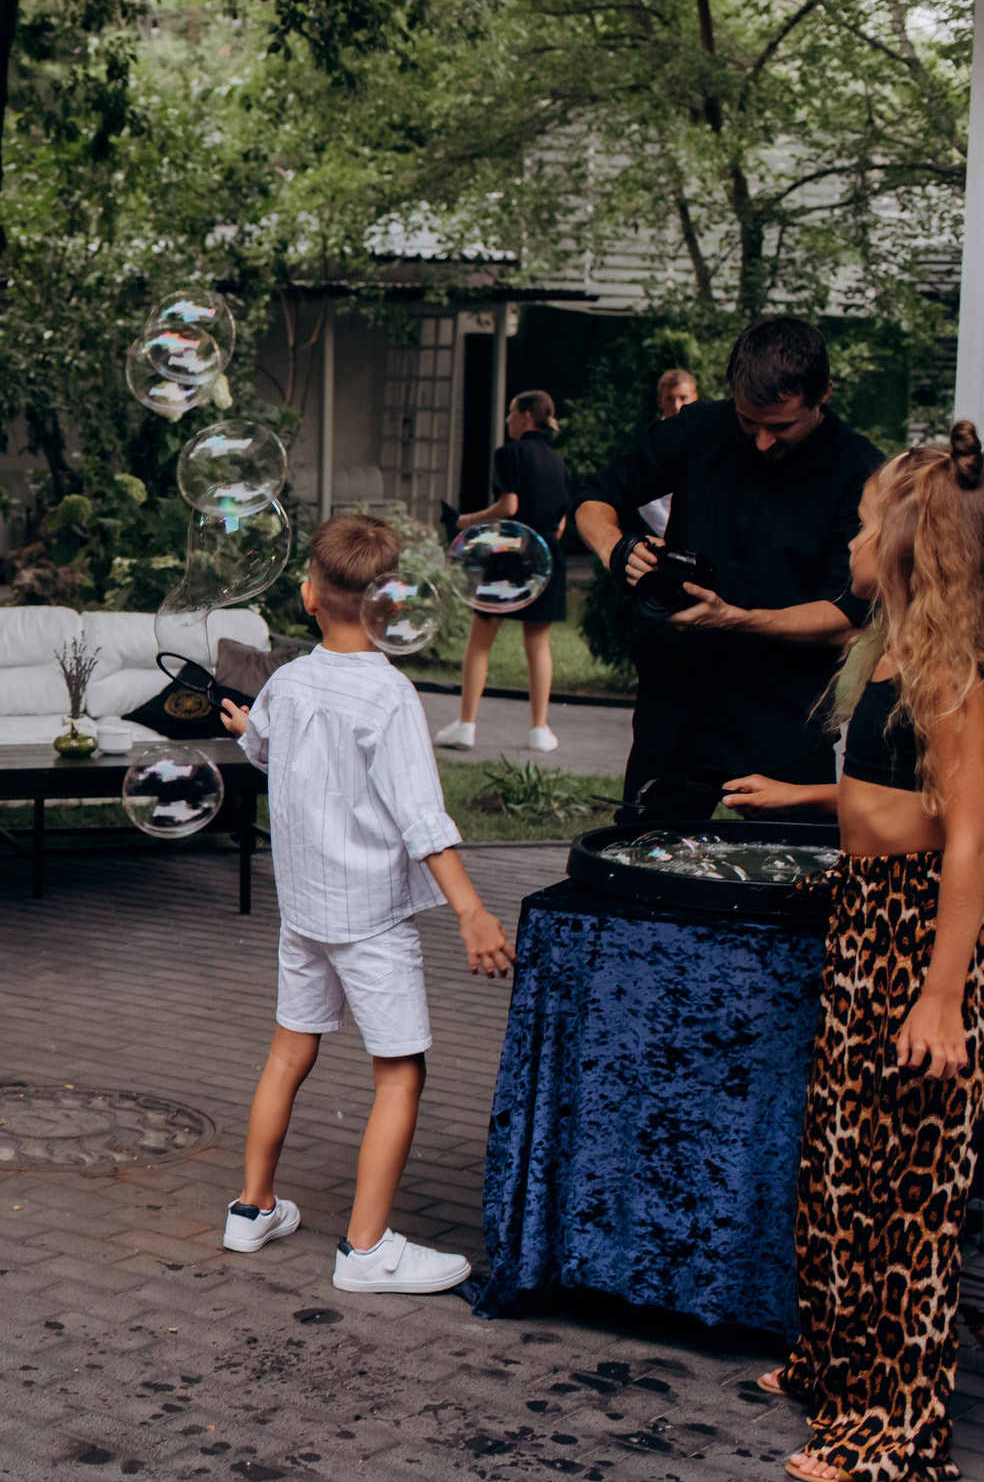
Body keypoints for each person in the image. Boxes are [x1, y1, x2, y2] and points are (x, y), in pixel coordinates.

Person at [712, 425, 984, 1482]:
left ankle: (895, 1429)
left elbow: (970, 837)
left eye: (867, 526)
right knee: (838, 1168)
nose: (853, 542)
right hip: (870, 918)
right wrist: (807, 796)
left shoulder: (956, 672)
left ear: (912, 547)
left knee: (903, 1196)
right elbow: (901, 787)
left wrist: (942, 996)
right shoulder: (898, 650)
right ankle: (834, 1365)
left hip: (922, 937)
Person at [218, 514, 515, 1293]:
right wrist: (471, 910)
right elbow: (423, 817)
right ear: (388, 603)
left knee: (289, 1052)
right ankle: (366, 1248)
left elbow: (267, 747)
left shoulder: (287, 680)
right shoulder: (388, 695)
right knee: (400, 1073)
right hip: (370, 919)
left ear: (309, 596)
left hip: (304, 912)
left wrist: (247, 723)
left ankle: (251, 1208)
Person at [574, 317, 881, 824]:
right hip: (674, 717)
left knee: (793, 870)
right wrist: (618, 549)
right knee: (645, 863)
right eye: (748, 421)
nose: (762, 441)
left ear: (823, 394)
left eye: (781, 427)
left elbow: (846, 617)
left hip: (785, 726)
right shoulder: (699, 428)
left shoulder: (858, 471)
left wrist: (734, 618)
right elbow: (594, 497)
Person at [436, 391, 571, 755]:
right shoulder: (558, 462)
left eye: (512, 412)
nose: (508, 419)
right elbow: (560, 525)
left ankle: (466, 726)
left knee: (480, 642)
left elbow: (509, 505)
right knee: (538, 646)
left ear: (526, 416)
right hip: (545, 559)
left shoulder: (509, 453)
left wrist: (465, 521)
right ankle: (539, 730)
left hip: (508, 557)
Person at [635, 368, 701, 536]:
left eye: (683, 398)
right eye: (670, 399)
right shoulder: (651, 442)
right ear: (660, 401)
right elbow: (646, 501)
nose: (677, 406)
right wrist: (675, 536)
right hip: (662, 533)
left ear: (695, 398)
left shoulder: (707, 436)